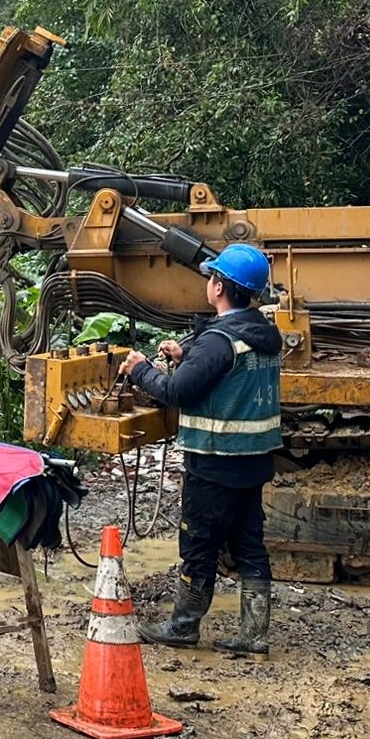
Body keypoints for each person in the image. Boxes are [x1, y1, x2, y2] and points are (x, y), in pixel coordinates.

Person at [119, 241, 281, 654]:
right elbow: (228, 365)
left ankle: (183, 625)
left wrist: (140, 370)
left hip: (215, 461)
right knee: (250, 544)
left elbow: (175, 390)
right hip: (255, 460)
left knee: (199, 545)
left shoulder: (219, 340)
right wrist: (187, 351)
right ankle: (254, 634)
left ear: (219, 287)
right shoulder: (264, 334)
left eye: (212, 277)